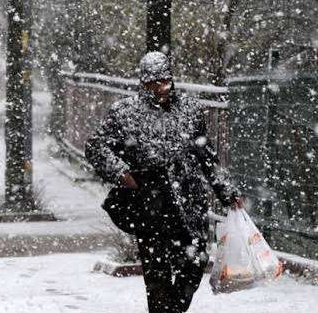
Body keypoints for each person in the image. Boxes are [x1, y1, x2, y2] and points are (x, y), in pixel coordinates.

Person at [85, 51, 244, 313]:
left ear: (172, 79)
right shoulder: (125, 113)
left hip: (188, 202)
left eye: (164, 81)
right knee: (157, 274)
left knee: (194, 264)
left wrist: (227, 190)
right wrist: (123, 174)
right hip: (150, 205)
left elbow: (206, 156)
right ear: (142, 83)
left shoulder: (190, 110)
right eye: (152, 83)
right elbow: (96, 147)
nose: (159, 88)